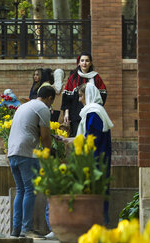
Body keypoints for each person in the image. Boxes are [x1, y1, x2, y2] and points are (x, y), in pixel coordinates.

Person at [7, 86, 56, 238]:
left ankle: (16, 230)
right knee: (30, 190)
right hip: (26, 153)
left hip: (12, 152)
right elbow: (45, 136)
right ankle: (26, 229)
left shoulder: (24, 106)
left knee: (21, 190)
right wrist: (48, 152)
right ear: (49, 98)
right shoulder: (42, 108)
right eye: (51, 102)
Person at [78, 82, 113, 225]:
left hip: (96, 161)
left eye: (81, 95)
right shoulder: (96, 112)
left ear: (88, 95)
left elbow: (92, 139)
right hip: (99, 160)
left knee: (95, 193)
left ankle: (97, 225)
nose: (79, 99)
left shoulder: (94, 113)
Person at [61, 52, 107, 138]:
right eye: (82, 61)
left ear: (90, 63)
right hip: (75, 115)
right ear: (79, 63)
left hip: (91, 115)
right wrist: (66, 113)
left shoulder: (96, 77)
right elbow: (66, 98)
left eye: (87, 61)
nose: (84, 63)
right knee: (77, 138)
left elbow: (102, 95)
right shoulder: (73, 77)